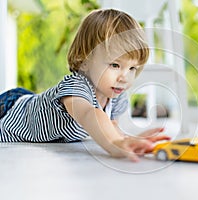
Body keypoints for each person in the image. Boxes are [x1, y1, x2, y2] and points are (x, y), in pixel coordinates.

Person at [0, 9, 170, 162]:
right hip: (9, 111)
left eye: (132, 68)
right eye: (115, 65)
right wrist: (115, 143)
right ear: (85, 60)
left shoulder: (115, 95)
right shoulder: (76, 87)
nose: (124, 77)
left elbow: (110, 126)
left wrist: (128, 140)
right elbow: (89, 113)